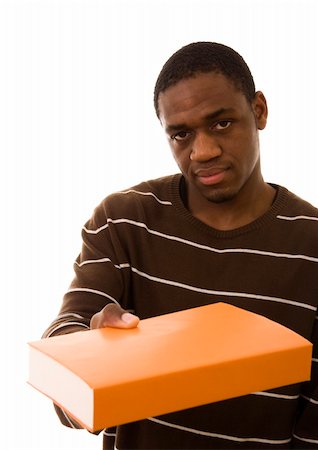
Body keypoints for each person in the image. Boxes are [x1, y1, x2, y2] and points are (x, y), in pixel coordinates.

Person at [43, 42, 318, 449]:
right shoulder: (123, 221)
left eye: (221, 123)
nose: (202, 151)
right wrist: (90, 352)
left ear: (259, 110)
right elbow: (64, 384)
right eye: (181, 134)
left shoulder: (312, 245)